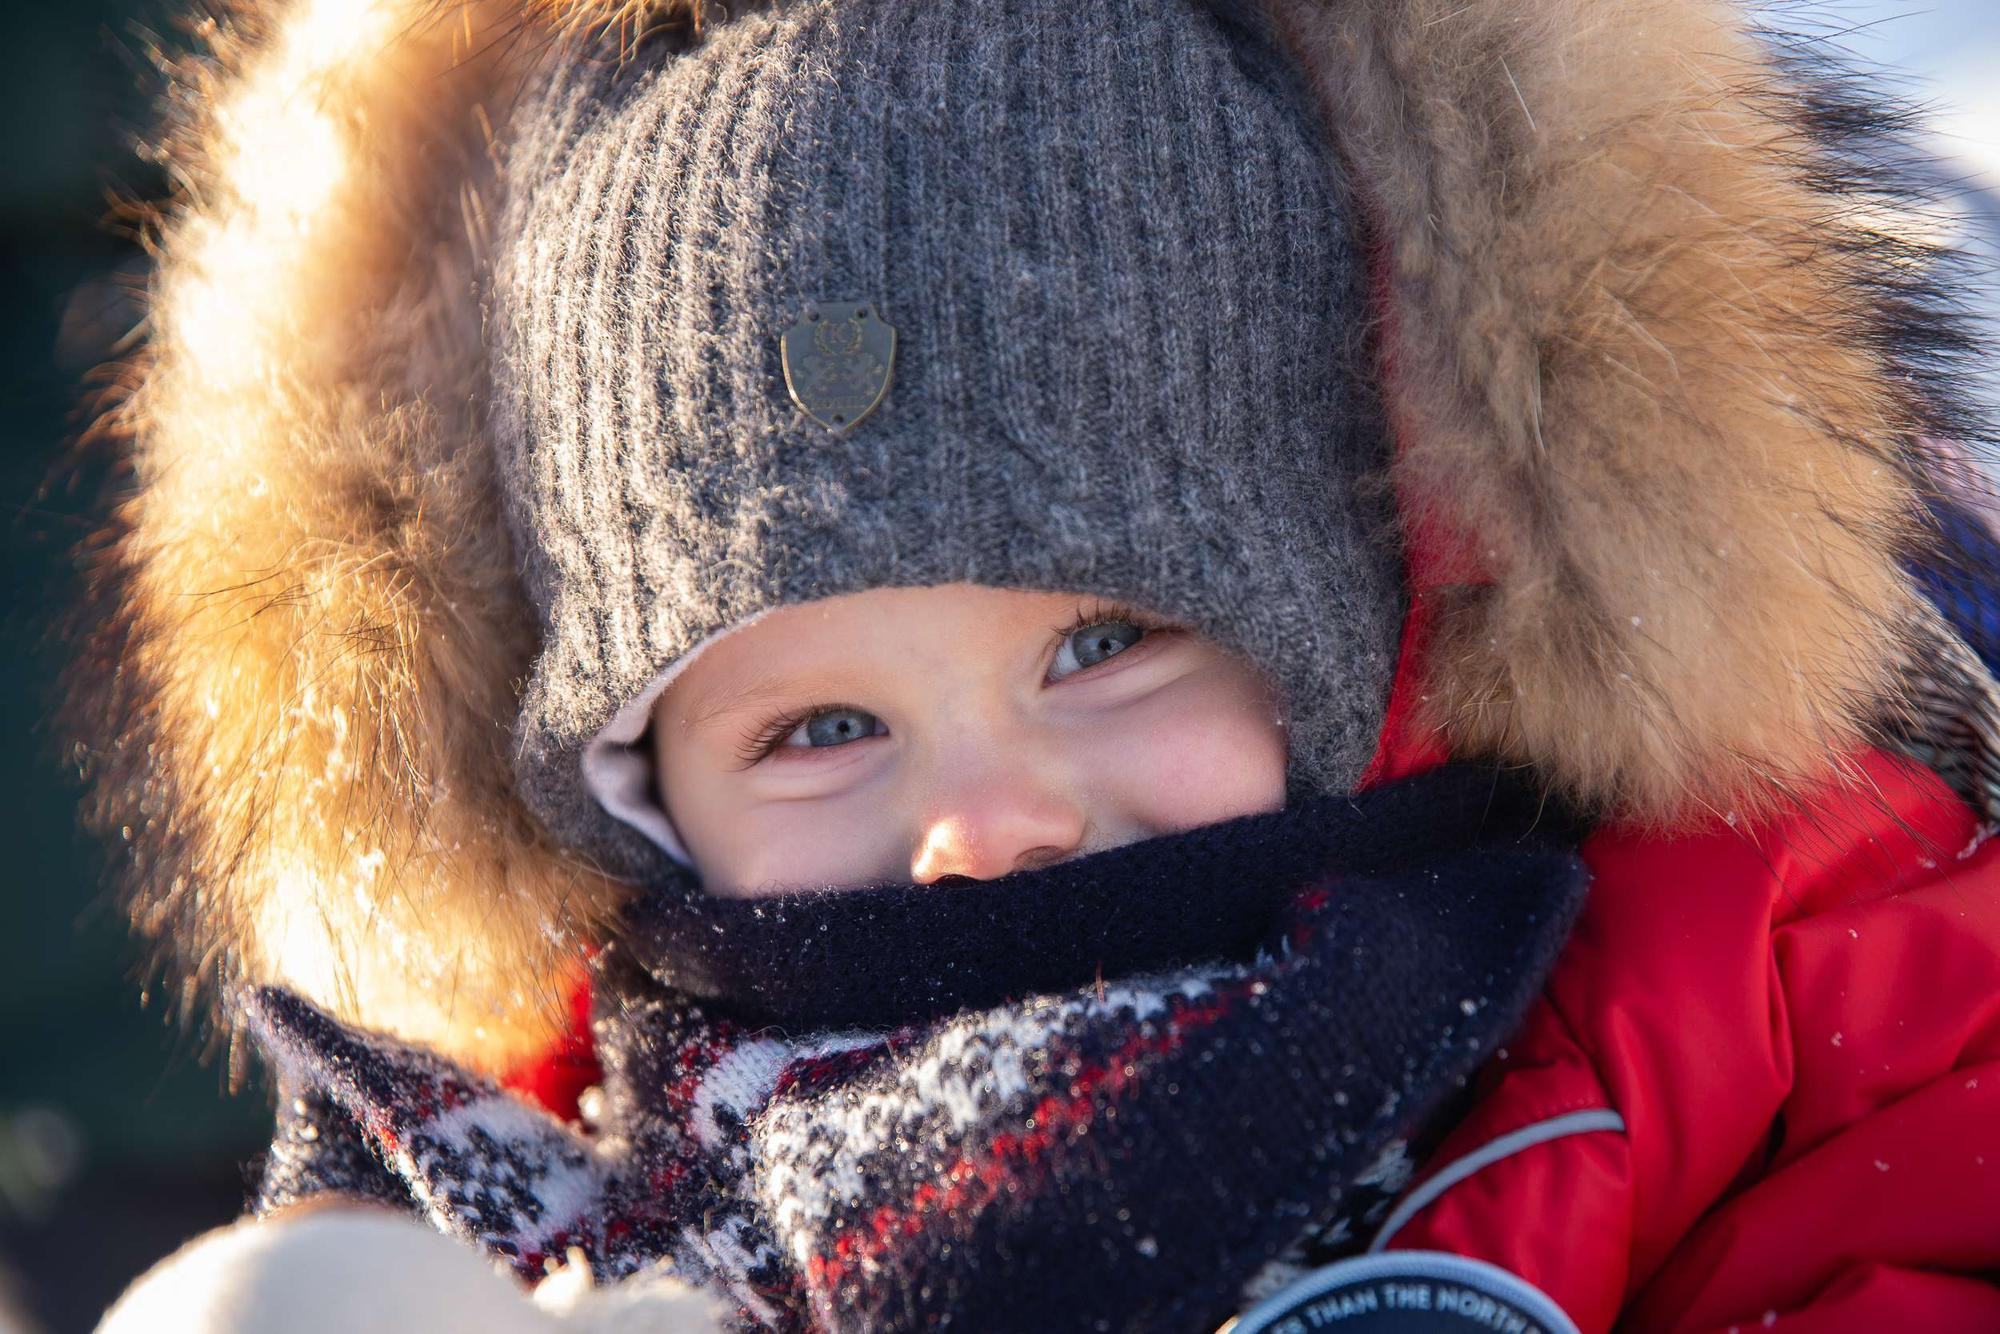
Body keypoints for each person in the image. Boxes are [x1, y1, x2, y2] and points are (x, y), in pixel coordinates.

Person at [71, 0, 2000, 1329]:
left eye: (1105, 639)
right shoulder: (549, 1176)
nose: (986, 816)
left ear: (1357, 599)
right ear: (640, 800)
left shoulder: (1728, 975)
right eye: (823, 725)